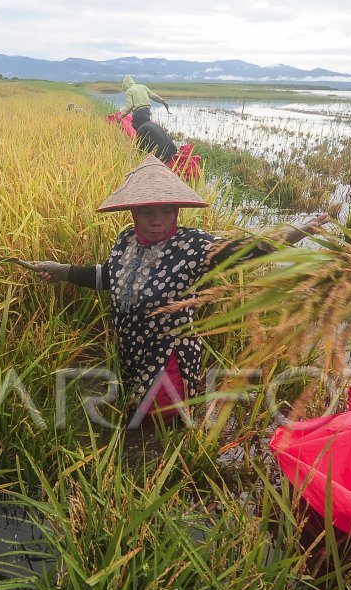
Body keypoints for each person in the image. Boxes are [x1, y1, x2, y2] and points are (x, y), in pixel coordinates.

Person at [23, 154, 330, 427]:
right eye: (148, 212)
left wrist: (299, 231)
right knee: (137, 415)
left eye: (166, 211)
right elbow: (109, 277)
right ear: (133, 213)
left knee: (159, 424)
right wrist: (62, 271)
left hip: (170, 355)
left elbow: (246, 250)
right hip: (131, 351)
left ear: (176, 211)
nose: (157, 220)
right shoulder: (126, 239)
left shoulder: (194, 244)